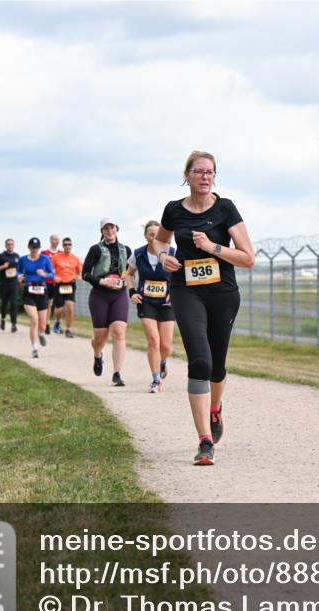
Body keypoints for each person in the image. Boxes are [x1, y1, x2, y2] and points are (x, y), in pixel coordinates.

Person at [152, 151, 255, 465]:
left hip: (223, 292)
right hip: (186, 291)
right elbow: (159, 241)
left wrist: (213, 247)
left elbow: (248, 258)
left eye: (210, 172)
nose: (205, 177)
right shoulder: (173, 210)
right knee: (200, 360)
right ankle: (205, 441)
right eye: (199, 171)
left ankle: (215, 407)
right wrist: (161, 256)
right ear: (187, 175)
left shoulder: (225, 209)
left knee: (218, 365)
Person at [126, 221, 177, 393]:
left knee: (166, 345)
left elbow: (181, 276)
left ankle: (162, 362)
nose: (154, 237)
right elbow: (129, 274)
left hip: (167, 303)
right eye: (151, 234)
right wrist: (132, 292)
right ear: (145, 236)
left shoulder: (172, 252)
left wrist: (175, 294)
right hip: (146, 301)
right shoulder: (138, 254)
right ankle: (156, 380)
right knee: (153, 340)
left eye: (157, 234)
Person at [82, 218, 132, 386]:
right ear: (102, 231)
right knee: (100, 338)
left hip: (119, 295)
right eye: (106, 228)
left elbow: (131, 272)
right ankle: (98, 355)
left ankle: (117, 373)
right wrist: (103, 282)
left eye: (112, 228)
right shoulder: (95, 250)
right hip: (100, 295)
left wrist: (125, 282)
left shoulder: (126, 250)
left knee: (119, 331)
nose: (109, 231)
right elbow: (85, 274)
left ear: (117, 229)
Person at [17, 237, 54, 358]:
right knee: (34, 320)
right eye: (32, 248)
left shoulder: (45, 259)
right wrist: (19, 276)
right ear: (29, 248)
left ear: (39, 248)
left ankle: (41, 334)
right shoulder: (23, 259)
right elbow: (18, 272)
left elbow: (52, 274)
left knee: (42, 325)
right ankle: (34, 348)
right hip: (29, 291)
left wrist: (45, 274)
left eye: (37, 248)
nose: (34, 250)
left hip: (42, 291)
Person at [51, 237, 82, 338]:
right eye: (65, 244)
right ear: (62, 246)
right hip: (59, 284)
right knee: (59, 309)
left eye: (69, 244)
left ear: (71, 246)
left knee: (70, 307)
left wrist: (79, 276)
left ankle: (68, 329)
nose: (67, 246)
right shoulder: (56, 257)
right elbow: (50, 269)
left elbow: (79, 271)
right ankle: (57, 321)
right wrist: (54, 276)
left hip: (70, 284)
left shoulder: (75, 258)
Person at [0, 238, 20, 332]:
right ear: (5, 246)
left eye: (11, 244)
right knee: (4, 303)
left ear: (14, 245)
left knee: (14, 304)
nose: (10, 246)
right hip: (3, 283)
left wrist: (19, 276)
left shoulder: (17, 256)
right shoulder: (1, 256)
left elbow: (19, 269)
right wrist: (3, 267)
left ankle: (14, 324)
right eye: (8, 244)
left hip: (14, 283)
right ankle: (3, 319)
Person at [41, 234, 60, 335]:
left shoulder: (61, 253)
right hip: (46, 282)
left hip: (56, 282)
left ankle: (48, 322)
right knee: (45, 303)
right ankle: (44, 322)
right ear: (50, 240)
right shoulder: (44, 253)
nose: (56, 241)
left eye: (58, 240)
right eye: (54, 239)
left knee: (52, 304)